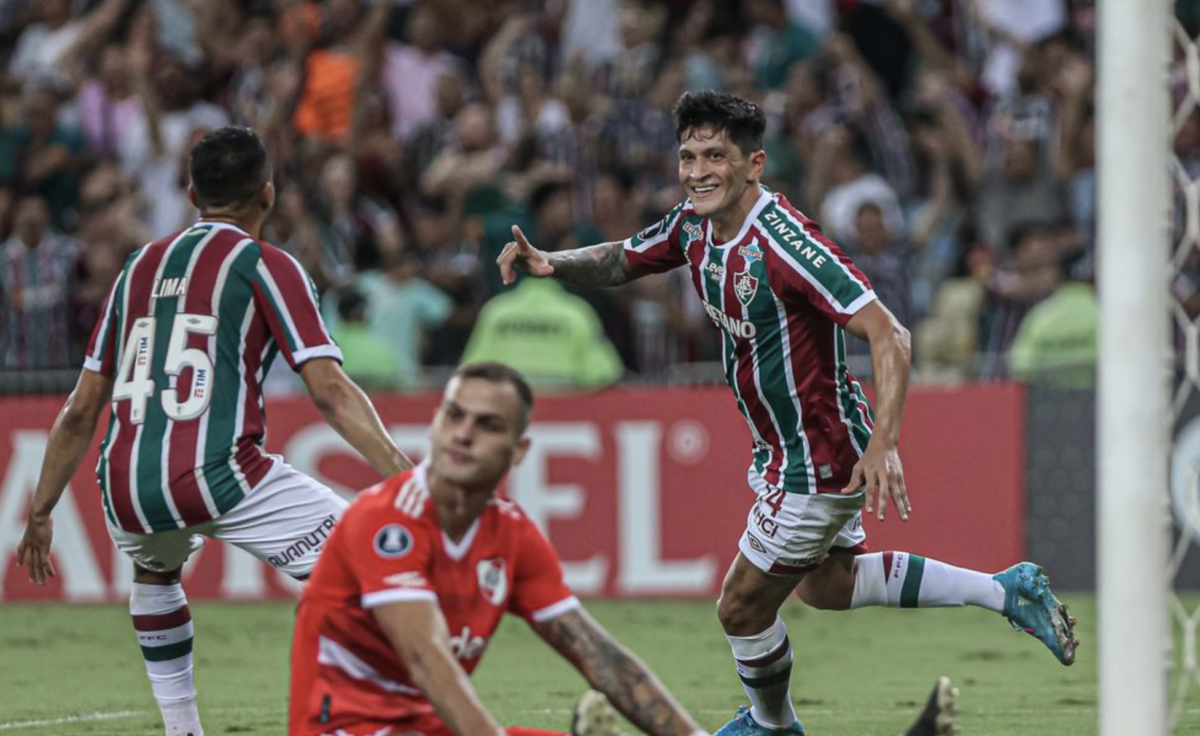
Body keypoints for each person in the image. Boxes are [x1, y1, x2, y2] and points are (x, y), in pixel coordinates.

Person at [497, 91, 1078, 736]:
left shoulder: (786, 243)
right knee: (828, 586)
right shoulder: (693, 225)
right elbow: (623, 259)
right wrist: (552, 263)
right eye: (688, 156)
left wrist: (883, 445)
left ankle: (772, 727)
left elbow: (891, 334)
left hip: (820, 455)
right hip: (785, 450)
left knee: (740, 608)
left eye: (716, 156)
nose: (698, 171)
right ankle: (1005, 591)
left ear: (755, 164)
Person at [288, 361, 960, 736]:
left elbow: (601, 658)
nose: (462, 434)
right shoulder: (385, 522)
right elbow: (430, 663)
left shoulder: (510, 534)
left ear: (518, 452)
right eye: (453, 416)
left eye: (486, 425)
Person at [16, 126, 412, 736]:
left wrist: (41, 509)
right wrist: (407, 480)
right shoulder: (266, 265)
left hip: (126, 489)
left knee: (154, 572)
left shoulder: (137, 266)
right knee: (366, 562)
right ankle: (355, 718)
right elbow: (330, 390)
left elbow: (80, 408)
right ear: (268, 194)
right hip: (220, 473)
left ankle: (183, 730)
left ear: (192, 191)